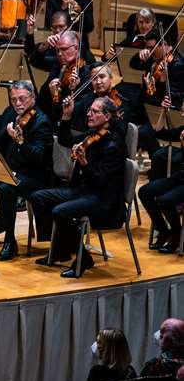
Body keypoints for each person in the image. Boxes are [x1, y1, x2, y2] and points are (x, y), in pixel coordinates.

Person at [30, 96, 126, 278]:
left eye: (94, 111)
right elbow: (65, 140)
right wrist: (66, 116)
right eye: (89, 110)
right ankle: (61, 249)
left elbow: (101, 183)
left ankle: (83, 257)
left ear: (107, 117)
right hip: (84, 191)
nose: (88, 114)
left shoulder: (113, 145)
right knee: (38, 197)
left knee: (60, 212)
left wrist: (84, 162)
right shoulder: (92, 134)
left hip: (104, 200)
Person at [0, 81, 53, 260]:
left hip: (32, 175)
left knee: (7, 189)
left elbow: (39, 157)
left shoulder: (42, 122)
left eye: (22, 99)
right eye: (14, 100)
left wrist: (21, 141)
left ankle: (9, 241)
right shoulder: (10, 113)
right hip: (8, 169)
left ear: (32, 98)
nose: (18, 103)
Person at [139, 95, 184, 253]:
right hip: (180, 178)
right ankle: (164, 231)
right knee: (145, 192)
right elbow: (159, 133)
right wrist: (163, 111)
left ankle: (177, 236)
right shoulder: (183, 130)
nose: (182, 112)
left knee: (165, 201)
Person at [130, 34, 184, 156]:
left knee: (143, 133)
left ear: (163, 45)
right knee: (125, 117)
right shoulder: (155, 57)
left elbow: (175, 98)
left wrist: (162, 82)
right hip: (147, 106)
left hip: (162, 112)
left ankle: (157, 159)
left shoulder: (178, 65)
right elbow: (133, 65)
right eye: (148, 48)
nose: (150, 52)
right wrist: (139, 54)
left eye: (151, 48)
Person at [27, 30, 91, 120]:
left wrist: (55, 95)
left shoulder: (85, 74)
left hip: (59, 122)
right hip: (41, 113)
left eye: (64, 49)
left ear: (76, 48)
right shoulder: (58, 63)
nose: (60, 54)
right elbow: (34, 61)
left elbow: (67, 111)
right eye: (57, 50)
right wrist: (45, 45)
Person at [67, 63, 129, 136]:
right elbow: (70, 111)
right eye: (94, 78)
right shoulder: (88, 98)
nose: (98, 82)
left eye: (102, 77)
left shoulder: (121, 103)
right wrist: (72, 88)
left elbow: (120, 132)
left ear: (111, 78)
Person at [25, 11, 95, 69]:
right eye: (54, 27)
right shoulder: (49, 44)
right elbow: (32, 58)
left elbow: (91, 62)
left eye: (61, 26)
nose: (57, 30)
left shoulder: (78, 43)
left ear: (69, 27)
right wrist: (30, 34)